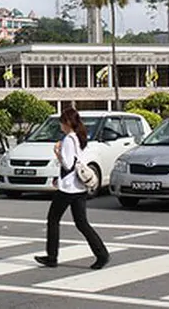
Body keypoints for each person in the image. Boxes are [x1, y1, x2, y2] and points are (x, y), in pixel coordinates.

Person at [35, 106, 110, 269]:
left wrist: (58, 153)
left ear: (67, 123)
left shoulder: (69, 139)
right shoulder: (80, 137)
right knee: (82, 223)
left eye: (62, 122)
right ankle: (102, 254)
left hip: (68, 189)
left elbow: (68, 164)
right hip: (79, 187)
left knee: (53, 220)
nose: (60, 126)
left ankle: (52, 256)